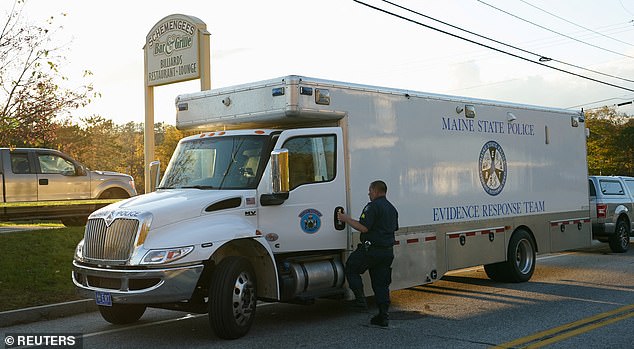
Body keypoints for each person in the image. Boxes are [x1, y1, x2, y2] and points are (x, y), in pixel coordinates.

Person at [337, 180, 399, 328]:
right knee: (381, 284)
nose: (369, 193)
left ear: (376, 191)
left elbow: (364, 228)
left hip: (371, 250)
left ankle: (360, 302)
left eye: (370, 191)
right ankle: (383, 316)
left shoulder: (372, 207)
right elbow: (394, 228)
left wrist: (346, 219)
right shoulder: (392, 208)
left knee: (351, 267)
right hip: (387, 252)